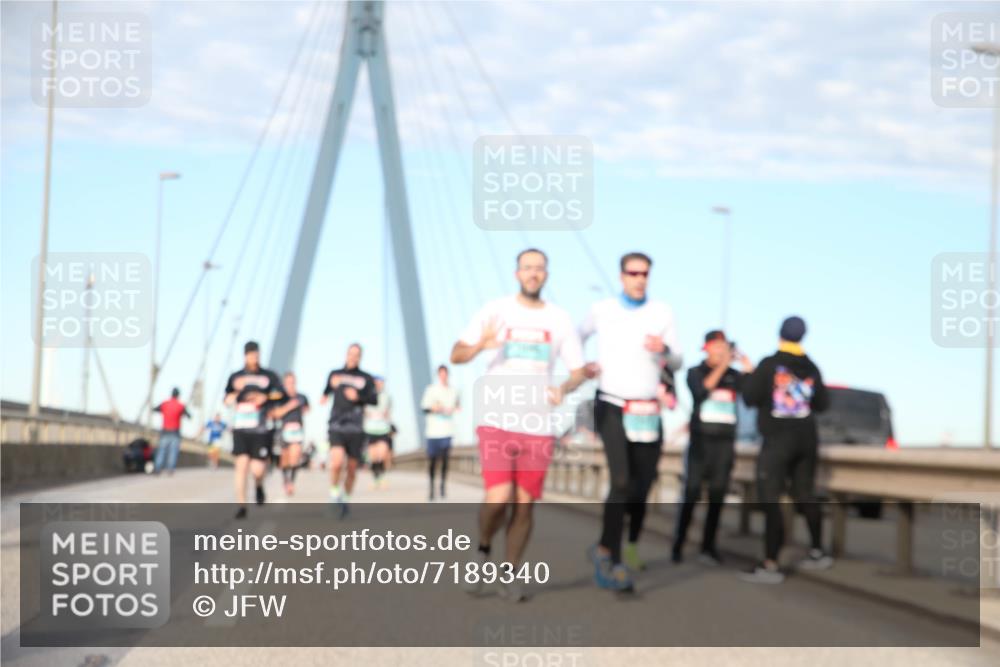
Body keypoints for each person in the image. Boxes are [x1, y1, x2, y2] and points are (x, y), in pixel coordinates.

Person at [451, 248, 587, 602]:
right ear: (517, 274)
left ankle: (509, 573)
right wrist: (481, 344)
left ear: (546, 274)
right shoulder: (496, 310)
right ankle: (482, 548)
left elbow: (578, 371)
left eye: (539, 268)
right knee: (499, 498)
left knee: (525, 504)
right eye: (527, 268)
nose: (533, 273)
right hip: (497, 419)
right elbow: (456, 354)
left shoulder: (559, 319)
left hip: (538, 424)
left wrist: (563, 388)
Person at [578, 252, 682, 592]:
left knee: (640, 486)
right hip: (611, 404)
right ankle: (616, 561)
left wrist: (664, 348)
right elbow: (575, 338)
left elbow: (678, 360)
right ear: (621, 276)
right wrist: (583, 366)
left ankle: (605, 546)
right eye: (633, 273)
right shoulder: (602, 310)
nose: (639, 279)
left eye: (645, 274)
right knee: (620, 480)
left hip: (647, 411)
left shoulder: (661, 312)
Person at [740, 316, 833, 583]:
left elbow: (749, 397)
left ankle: (770, 564)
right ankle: (817, 551)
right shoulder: (812, 367)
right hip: (807, 440)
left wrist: (749, 374)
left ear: (779, 333)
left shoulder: (769, 365)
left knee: (770, 499)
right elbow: (823, 403)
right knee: (805, 494)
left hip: (777, 442)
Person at [672, 330, 754, 565]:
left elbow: (750, 397)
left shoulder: (734, 376)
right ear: (706, 348)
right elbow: (701, 391)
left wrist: (749, 370)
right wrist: (722, 366)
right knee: (692, 492)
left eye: (725, 346)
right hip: (700, 442)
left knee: (717, 495)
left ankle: (708, 547)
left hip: (725, 444)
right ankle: (679, 543)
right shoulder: (695, 372)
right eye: (717, 346)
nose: (721, 351)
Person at [224, 341, 287, 519]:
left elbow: (280, 394)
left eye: (257, 355)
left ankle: (259, 485)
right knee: (241, 467)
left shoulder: (269, 376)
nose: (254, 358)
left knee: (257, 470)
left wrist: (264, 397)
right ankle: (242, 506)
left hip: (260, 430)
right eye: (251, 355)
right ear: (245, 356)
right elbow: (227, 398)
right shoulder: (235, 377)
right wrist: (235, 396)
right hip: (241, 428)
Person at [321, 343, 377, 517]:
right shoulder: (335, 374)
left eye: (356, 354)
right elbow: (325, 393)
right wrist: (328, 390)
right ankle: (334, 493)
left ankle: (345, 499)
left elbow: (374, 400)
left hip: (356, 427)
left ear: (360, 357)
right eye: (350, 354)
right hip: (337, 424)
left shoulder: (366, 378)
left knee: (352, 469)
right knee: (336, 462)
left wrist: (358, 397)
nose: (353, 357)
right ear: (346, 355)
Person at [421, 364, 460, 500]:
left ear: (447, 375)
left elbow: (458, 405)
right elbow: (424, 409)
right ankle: (431, 487)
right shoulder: (431, 390)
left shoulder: (454, 391)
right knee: (432, 461)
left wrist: (455, 408)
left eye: (445, 374)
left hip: (447, 430)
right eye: (441, 374)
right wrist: (434, 408)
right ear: (438, 375)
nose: (443, 376)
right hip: (433, 431)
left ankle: (442, 485)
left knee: (445, 459)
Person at [272, 372, 310, 496]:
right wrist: (289, 406)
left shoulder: (302, 396)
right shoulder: (279, 397)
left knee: (296, 455)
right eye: (288, 383)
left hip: (297, 429)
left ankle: (291, 483)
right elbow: (276, 413)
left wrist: (303, 409)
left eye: (292, 382)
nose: (291, 385)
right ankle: (285, 480)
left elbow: (307, 409)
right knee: (285, 459)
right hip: (284, 429)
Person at [363, 376, 393, 489]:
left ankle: (382, 476)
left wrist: (386, 417)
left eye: (381, 383)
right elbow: (364, 411)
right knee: (373, 457)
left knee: (383, 454)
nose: (379, 385)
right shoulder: (368, 396)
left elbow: (389, 411)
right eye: (377, 383)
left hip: (383, 429)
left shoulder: (387, 396)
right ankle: (376, 479)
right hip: (370, 429)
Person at [153, 388, 191, 475]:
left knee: (161, 451)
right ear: (178, 395)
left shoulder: (165, 404)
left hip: (164, 431)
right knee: (173, 452)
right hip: (175, 432)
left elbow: (155, 409)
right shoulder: (180, 406)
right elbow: (189, 415)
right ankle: (170, 469)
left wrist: (163, 412)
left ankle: (157, 468)